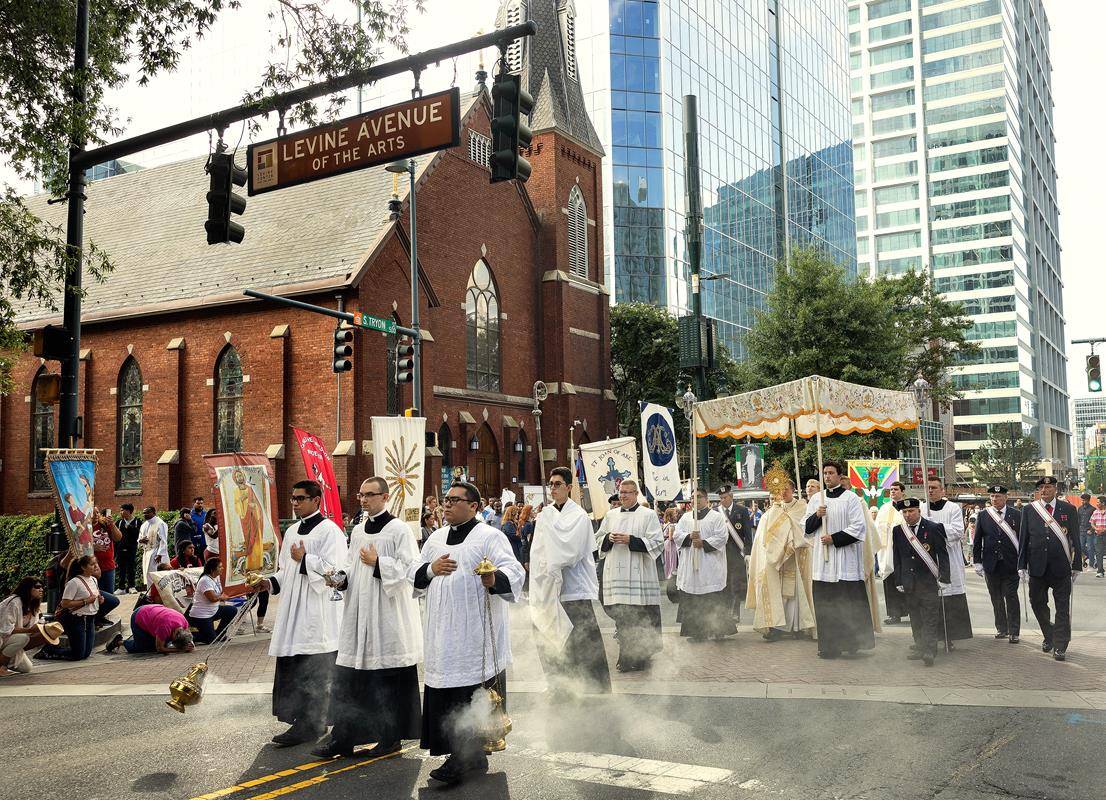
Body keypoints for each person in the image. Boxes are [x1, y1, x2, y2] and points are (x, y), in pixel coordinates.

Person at [410, 481, 525, 786]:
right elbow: (415, 574)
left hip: (475, 636)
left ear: (473, 506)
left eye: (454, 500)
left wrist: (493, 578)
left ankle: (464, 756)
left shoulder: (489, 537)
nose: (446, 505)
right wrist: (431, 569)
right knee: (447, 693)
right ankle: (469, 756)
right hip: (442, 632)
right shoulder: (434, 539)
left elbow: (514, 572)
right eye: (445, 500)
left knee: (470, 695)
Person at [317, 477, 423, 759]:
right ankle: (343, 738)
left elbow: (410, 570)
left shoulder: (399, 529)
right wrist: (340, 579)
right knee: (351, 680)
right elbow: (352, 566)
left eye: (369, 495)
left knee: (384, 682)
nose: (363, 500)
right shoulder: (360, 529)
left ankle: (390, 739)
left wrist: (379, 563)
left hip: (386, 616)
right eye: (360, 495)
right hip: (359, 615)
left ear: (385, 497)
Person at [265, 480, 349, 746]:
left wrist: (305, 559)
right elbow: (283, 570)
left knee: (314, 668)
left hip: (316, 612)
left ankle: (314, 722)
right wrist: (267, 583)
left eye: (300, 498)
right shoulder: (290, 532)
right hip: (292, 611)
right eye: (293, 498)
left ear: (316, 500)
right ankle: (299, 720)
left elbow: (335, 572)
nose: (295, 503)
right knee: (293, 665)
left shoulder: (330, 531)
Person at [530, 466, 612, 694]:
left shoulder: (579, 517)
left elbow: (569, 551)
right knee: (551, 638)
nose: (553, 488)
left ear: (569, 487)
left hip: (574, 589)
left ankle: (595, 687)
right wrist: (542, 575)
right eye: (551, 484)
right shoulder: (545, 515)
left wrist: (550, 562)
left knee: (583, 640)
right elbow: (537, 551)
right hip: (550, 589)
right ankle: (560, 684)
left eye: (558, 484)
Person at [803, 462, 875, 659]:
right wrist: (817, 515)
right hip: (823, 564)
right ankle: (828, 646)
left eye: (831, 473)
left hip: (845, 562)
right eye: (824, 473)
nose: (827, 476)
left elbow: (859, 527)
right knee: (826, 607)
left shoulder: (851, 498)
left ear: (839, 475)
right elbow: (806, 529)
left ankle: (852, 644)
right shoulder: (817, 499)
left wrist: (834, 538)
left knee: (848, 606)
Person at [596, 479, 664, 672]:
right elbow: (597, 540)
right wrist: (608, 539)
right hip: (616, 577)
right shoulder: (610, 515)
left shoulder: (648, 515)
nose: (623, 495)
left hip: (639, 576)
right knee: (623, 619)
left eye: (628, 492)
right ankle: (625, 657)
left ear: (636, 494)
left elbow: (657, 542)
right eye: (621, 492)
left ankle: (641, 658)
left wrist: (631, 540)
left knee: (639, 618)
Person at [1018, 476, 1082, 661]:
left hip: (1061, 567)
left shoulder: (1068, 509)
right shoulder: (1029, 510)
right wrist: (1021, 565)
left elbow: (1075, 539)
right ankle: (1049, 634)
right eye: (1041, 488)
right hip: (1037, 567)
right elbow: (1024, 539)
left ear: (1055, 489)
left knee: (1062, 608)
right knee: (1037, 603)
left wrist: (1077, 564)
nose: (1044, 490)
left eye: (1048, 487)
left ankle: (1060, 646)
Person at [745, 477, 814, 641]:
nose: (783, 493)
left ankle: (797, 626)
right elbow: (764, 537)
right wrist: (773, 551)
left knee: (796, 595)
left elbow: (806, 534)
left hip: (796, 558)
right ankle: (776, 627)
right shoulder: (772, 512)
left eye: (787, 489)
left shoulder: (803, 509)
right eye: (780, 490)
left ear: (793, 491)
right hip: (776, 561)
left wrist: (791, 541)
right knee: (778, 595)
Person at [891, 498, 951, 667]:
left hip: (928, 582)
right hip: (909, 582)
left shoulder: (933, 528)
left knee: (930, 617)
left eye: (911, 511)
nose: (908, 515)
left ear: (919, 511)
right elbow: (897, 556)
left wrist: (945, 578)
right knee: (915, 617)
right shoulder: (898, 530)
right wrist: (899, 580)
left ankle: (930, 651)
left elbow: (943, 555)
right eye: (905, 512)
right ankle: (919, 647)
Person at [674, 488, 735, 642]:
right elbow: (676, 535)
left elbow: (722, 537)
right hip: (691, 564)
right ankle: (697, 632)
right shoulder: (686, 518)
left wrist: (703, 543)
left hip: (709, 564)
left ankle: (718, 630)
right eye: (693, 497)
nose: (696, 500)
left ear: (706, 499)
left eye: (699, 497)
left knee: (713, 597)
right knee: (693, 599)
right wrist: (688, 537)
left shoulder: (716, 517)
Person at [922, 478, 973, 646]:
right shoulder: (922, 508)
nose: (931, 491)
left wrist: (935, 528)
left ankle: (949, 636)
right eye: (928, 488)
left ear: (942, 490)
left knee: (950, 597)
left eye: (934, 488)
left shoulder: (953, 508)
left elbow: (958, 531)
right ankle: (930, 637)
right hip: (928, 557)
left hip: (949, 557)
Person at [972, 486, 1022, 643]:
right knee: (996, 598)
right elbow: (977, 540)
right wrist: (977, 562)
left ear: (1006, 498)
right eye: (992, 496)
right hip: (991, 564)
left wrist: (1024, 564)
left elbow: (1023, 540)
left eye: (998, 496)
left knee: (1011, 597)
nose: (994, 499)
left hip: (1011, 564)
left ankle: (1014, 631)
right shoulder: (984, 515)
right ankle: (1002, 628)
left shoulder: (1017, 514)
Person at [37, 556, 102, 661]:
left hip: (90, 619)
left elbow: (94, 597)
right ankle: (50, 650)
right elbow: (65, 603)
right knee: (78, 655)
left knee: (86, 654)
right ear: (83, 567)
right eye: (92, 564)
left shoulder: (94, 580)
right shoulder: (74, 582)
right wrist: (85, 601)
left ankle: (61, 650)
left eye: (96, 563)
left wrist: (99, 599)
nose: (96, 566)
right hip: (76, 619)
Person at [716, 485, 753, 623]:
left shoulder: (742, 511)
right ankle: (724, 614)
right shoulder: (717, 512)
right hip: (721, 554)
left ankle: (735, 613)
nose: (723, 500)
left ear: (731, 497)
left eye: (725, 497)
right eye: (721, 498)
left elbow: (747, 533)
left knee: (736, 585)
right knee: (723, 584)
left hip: (737, 553)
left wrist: (748, 553)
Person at [0, 577, 49, 675]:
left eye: (42, 587)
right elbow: (5, 630)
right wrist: (29, 630)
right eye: (37, 587)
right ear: (27, 588)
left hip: (9, 639)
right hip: (2, 637)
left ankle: (5, 659)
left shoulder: (33, 605)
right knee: (23, 638)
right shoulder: (14, 602)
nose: (41, 589)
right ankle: (2, 666)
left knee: (26, 668)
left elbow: (33, 628)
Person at [875, 482, 908, 625]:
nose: (893, 492)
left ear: (902, 492)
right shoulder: (884, 508)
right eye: (891, 490)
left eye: (895, 490)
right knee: (890, 581)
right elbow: (877, 528)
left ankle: (912, 611)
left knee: (907, 580)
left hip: (904, 550)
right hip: (887, 550)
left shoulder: (908, 507)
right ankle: (894, 614)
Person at [188, 557, 239, 645]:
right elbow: (212, 599)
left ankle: (220, 633)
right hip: (202, 615)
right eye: (219, 567)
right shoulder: (205, 580)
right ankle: (190, 636)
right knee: (211, 640)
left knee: (232, 610)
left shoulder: (216, 577)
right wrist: (222, 597)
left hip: (213, 611)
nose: (222, 568)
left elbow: (221, 592)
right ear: (212, 569)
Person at [108, 603, 194, 655]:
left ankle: (138, 639)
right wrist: (179, 650)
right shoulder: (164, 628)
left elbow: (189, 639)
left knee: (161, 642)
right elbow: (159, 649)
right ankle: (118, 642)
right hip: (139, 617)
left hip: (152, 612)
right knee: (143, 648)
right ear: (175, 636)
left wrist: (190, 644)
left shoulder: (184, 623)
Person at [89, 509, 122, 627]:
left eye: (97, 513)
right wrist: (93, 547)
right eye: (92, 513)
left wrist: (112, 525)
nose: (95, 515)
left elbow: (118, 537)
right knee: (95, 595)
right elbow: (79, 546)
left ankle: (100, 617)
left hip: (108, 566)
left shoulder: (104, 525)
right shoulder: (84, 528)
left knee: (108, 596)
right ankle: (93, 619)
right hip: (92, 569)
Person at [139, 506, 169, 588]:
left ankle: (159, 594)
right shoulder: (144, 525)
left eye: (148, 512)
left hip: (156, 552)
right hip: (147, 552)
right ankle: (150, 594)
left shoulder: (160, 523)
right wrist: (141, 540)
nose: (145, 514)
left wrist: (160, 554)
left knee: (157, 574)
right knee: (148, 574)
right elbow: (140, 538)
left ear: (154, 513)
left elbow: (163, 540)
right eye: (144, 513)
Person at [115, 504, 141, 594]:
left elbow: (139, 533)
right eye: (120, 510)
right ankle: (121, 587)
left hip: (132, 548)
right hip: (120, 549)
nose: (121, 512)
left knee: (131, 568)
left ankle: (131, 586)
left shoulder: (137, 521)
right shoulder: (119, 522)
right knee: (121, 568)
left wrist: (129, 527)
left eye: (123, 510)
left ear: (129, 511)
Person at [1078, 493, 1095, 569]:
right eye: (1081, 500)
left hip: (1089, 531)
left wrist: (1091, 530)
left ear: (1088, 500)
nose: (1082, 501)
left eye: (1083, 500)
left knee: (1090, 547)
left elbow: (1095, 521)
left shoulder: (1093, 509)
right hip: (1081, 531)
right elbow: (1078, 520)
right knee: (1081, 547)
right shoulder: (1080, 508)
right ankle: (1088, 556)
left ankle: (1091, 563)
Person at [1090, 497, 1106, 577]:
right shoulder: (1095, 512)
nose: (1096, 504)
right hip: (1098, 535)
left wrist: (1104, 529)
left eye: (1098, 502)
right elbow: (1092, 523)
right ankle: (1100, 571)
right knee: (1099, 553)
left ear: (1103, 503)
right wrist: (1096, 528)